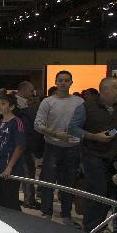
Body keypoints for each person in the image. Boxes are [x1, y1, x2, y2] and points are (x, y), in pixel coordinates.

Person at [68, 77, 117, 232]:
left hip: (114, 158)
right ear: (106, 89)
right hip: (93, 155)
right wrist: (95, 137)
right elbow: (73, 128)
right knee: (97, 192)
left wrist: (113, 134)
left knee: (111, 193)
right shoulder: (86, 107)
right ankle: (90, 228)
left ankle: (101, 226)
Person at [34, 70, 84, 224]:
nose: (63, 83)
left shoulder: (79, 102)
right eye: (60, 80)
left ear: (71, 82)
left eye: (66, 80)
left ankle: (66, 215)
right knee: (48, 182)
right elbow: (37, 125)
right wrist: (56, 134)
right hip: (52, 146)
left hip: (72, 148)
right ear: (55, 82)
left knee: (68, 183)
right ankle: (46, 213)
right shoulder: (48, 102)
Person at [0, 93, 27, 211]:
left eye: (3, 104)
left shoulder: (17, 122)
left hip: (11, 168)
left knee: (11, 201)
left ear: (12, 107)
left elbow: (20, 146)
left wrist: (10, 167)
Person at [14, 81, 41, 209]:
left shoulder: (28, 105)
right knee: (27, 172)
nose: (32, 93)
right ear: (24, 90)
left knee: (26, 171)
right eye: (31, 91)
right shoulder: (14, 104)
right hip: (20, 143)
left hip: (27, 142)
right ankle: (29, 200)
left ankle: (25, 198)